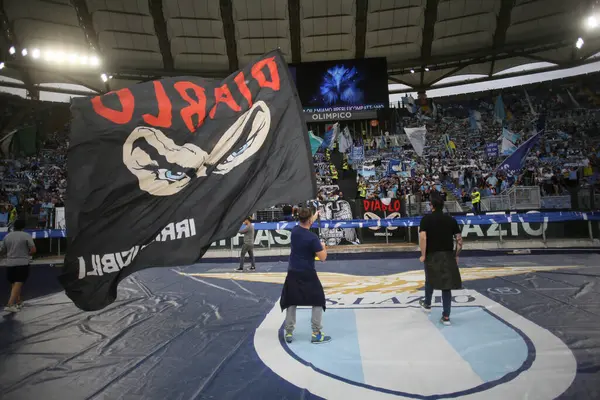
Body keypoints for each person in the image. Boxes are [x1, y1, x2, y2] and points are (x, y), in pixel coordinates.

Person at [280, 206, 330, 344]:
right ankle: (316, 333)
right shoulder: (313, 238)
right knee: (318, 300)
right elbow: (323, 258)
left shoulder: (295, 231)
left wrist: (316, 215)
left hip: (292, 272)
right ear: (309, 220)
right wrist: (323, 246)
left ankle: (288, 332)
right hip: (307, 273)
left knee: (291, 301)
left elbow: (306, 222)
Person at [418, 194, 463, 325]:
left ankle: (427, 304)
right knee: (446, 286)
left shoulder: (425, 220)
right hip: (448, 255)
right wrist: (456, 255)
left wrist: (423, 254)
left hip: (432, 255)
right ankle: (446, 316)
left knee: (430, 279)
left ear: (431, 206)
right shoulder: (451, 220)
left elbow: (423, 238)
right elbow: (459, 240)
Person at [1, 220, 36, 313]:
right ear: (23, 227)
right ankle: (10, 304)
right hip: (22, 263)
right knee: (18, 283)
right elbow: (33, 250)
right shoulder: (26, 235)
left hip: (9, 263)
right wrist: (26, 253)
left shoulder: (7, 236)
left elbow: (2, 250)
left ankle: (18, 302)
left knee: (14, 283)